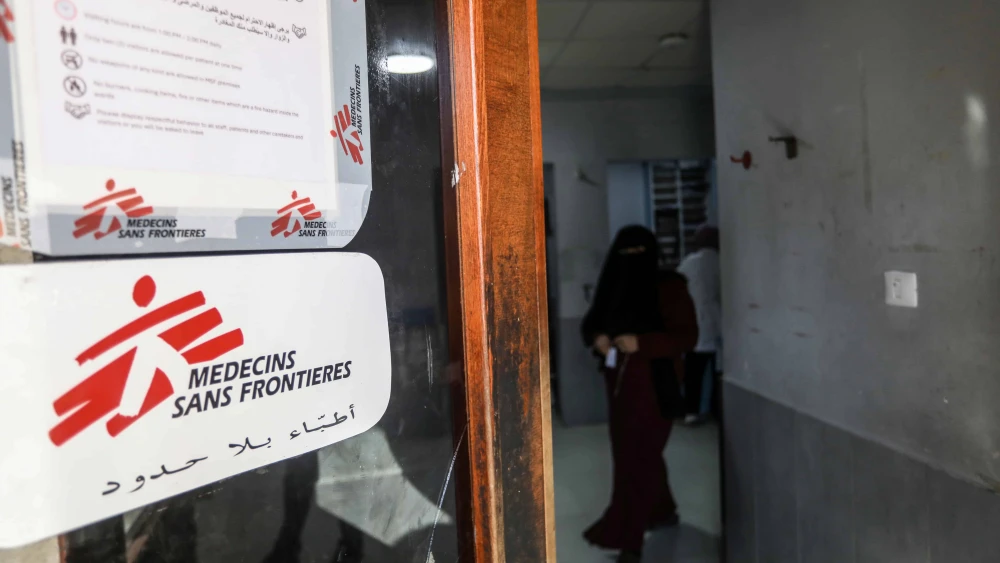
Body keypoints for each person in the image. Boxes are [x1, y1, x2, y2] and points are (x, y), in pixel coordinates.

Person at [580, 225, 699, 563]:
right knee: (632, 455)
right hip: (618, 387)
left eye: (638, 254)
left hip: (656, 387)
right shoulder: (613, 285)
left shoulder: (669, 288)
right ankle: (663, 511)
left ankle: (630, 540)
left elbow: (687, 336)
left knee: (638, 459)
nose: (631, 261)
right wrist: (599, 338)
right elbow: (591, 323)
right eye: (626, 253)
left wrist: (642, 344)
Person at [676, 226, 721, 425]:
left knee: (693, 374)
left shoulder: (689, 263)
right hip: (720, 325)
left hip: (696, 326)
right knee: (718, 372)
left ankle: (691, 412)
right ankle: (716, 411)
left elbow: (678, 290)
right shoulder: (723, 261)